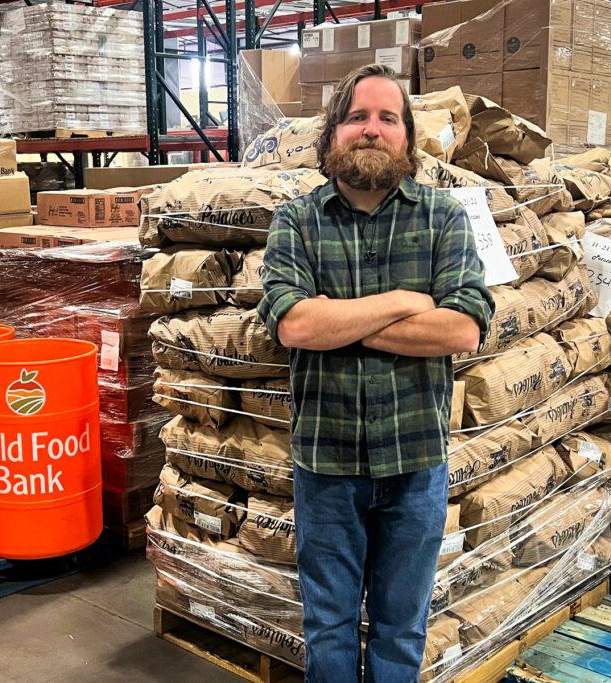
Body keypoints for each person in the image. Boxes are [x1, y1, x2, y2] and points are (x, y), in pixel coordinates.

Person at [257, 64, 496, 682]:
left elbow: (464, 328)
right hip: (326, 465)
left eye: (388, 118)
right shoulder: (296, 221)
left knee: (400, 628)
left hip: (415, 463)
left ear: (407, 140)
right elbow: (294, 326)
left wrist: (339, 318)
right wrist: (404, 301)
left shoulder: (443, 217)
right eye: (357, 116)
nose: (371, 129)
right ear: (332, 134)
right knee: (328, 627)